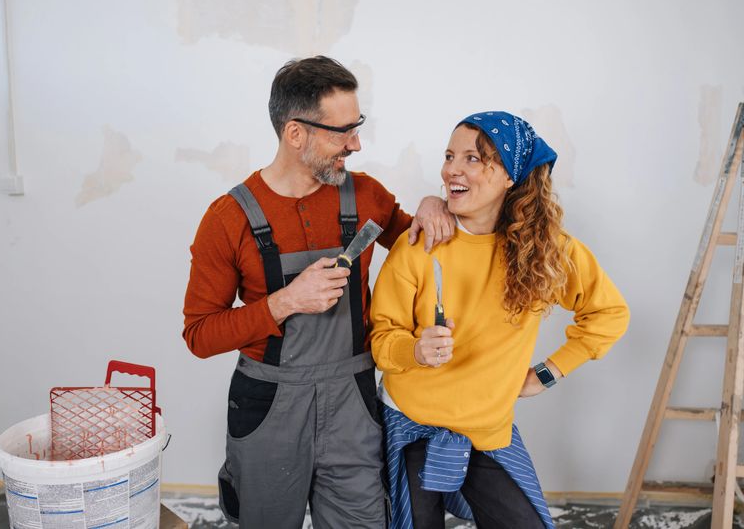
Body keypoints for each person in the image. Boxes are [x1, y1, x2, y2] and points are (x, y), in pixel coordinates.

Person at [182, 56, 454, 529]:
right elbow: (200, 336)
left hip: (353, 398)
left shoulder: (367, 196)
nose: (356, 143)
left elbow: (426, 244)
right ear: (295, 134)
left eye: (358, 126)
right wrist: (285, 301)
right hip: (269, 406)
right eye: (342, 132)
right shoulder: (228, 219)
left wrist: (434, 202)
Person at [370, 111, 630, 529]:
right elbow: (381, 338)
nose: (452, 169)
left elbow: (609, 313)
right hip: (411, 422)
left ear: (510, 176)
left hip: (486, 433)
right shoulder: (420, 244)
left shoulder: (546, 251)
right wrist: (414, 349)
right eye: (450, 155)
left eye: (473, 159)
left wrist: (547, 373)